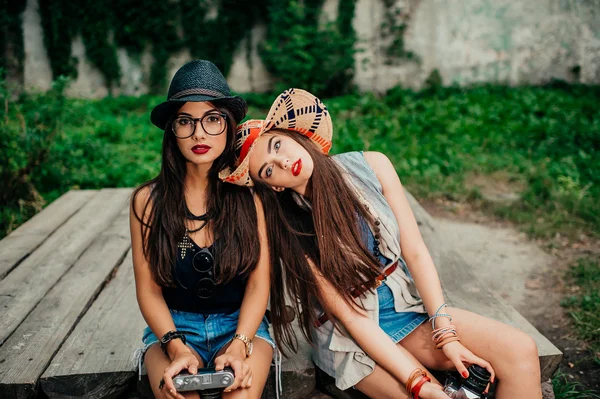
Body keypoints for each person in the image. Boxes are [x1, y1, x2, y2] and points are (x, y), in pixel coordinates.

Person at [220, 88, 542, 399]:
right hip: (350, 335)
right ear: (273, 187)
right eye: (268, 170)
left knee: (521, 349)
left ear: (291, 135)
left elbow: (415, 252)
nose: (282, 161)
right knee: (435, 394)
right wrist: (418, 384)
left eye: (277, 146)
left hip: (404, 302)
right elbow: (351, 318)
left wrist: (447, 335)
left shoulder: (371, 166)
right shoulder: (290, 230)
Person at [130, 60, 274, 399]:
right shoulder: (147, 201)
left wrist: (240, 345)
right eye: (185, 121)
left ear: (229, 126)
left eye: (212, 119)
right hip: (171, 330)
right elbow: (148, 290)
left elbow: (259, 283)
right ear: (171, 131)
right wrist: (176, 347)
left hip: (241, 327)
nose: (199, 133)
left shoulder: (250, 196)